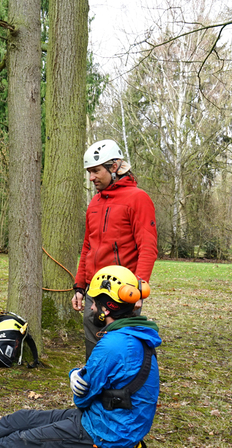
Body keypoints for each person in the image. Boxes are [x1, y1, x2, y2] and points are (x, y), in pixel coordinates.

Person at [0, 265, 160, 448]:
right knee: (21, 419)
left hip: (106, 434)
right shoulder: (135, 334)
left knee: (17, 443)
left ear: (106, 308)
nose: (90, 309)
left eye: (94, 303)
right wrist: (78, 375)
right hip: (103, 419)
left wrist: (76, 378)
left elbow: (82, 398)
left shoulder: (114, 344)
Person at [72, 139, 158, 359]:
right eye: (89, 172)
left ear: (114, 167)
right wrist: (80, 287)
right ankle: (93, 388)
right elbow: (87, 247)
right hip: (93, 291)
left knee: (121, 350)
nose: (91, 177)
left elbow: (148, 247)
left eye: (95, 171)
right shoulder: (94, 202)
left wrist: (139, 288)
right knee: (94, 351)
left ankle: (122, 392)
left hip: (122, 292)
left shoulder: (138, 198)